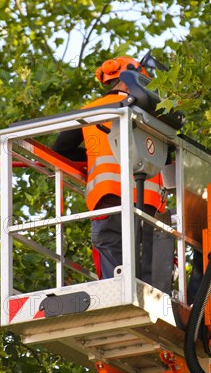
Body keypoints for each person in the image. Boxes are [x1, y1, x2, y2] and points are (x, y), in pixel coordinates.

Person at [52, 56, 174, 294]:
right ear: (131, 79)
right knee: (149, 277)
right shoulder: (155, 115)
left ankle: (117, 296)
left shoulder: (90, 111)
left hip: (109, 203)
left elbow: (60, 150)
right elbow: (168, 155)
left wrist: (91, 155)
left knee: (114, 277)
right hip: (149, 208)